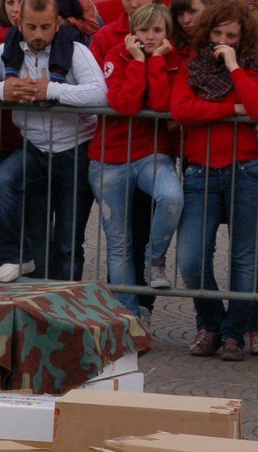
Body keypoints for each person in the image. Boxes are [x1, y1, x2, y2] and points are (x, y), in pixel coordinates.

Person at [0, 0, 108, 282]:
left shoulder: (76, 51)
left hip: (74, 152)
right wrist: (3, 89)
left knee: (67, 242)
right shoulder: (7, 51)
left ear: (58, 24)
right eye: (31, 27)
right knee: (2, 182)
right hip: (34, 149)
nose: (38, 34)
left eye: (46, 27)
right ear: (19, 24)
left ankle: (68, 306)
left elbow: (100, 94)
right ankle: (18, 256)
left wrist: (51, 90)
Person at [169, 0, 258, 360]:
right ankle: (212, 322)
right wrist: (231, 110)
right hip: (201, 170)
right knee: (190, 257)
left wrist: (234, 68)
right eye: (217, 33)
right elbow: (182, 110)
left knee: (245, 258)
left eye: (231, 36)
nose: (222, 41)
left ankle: (234, 332)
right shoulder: (193, 67)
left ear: (242, 38)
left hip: (248, 169)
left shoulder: (255, 68)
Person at [88, 2, 183, 323]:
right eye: (144, 30)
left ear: (167, 33)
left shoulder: (170, 59)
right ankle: (128, 316)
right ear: (133, 32)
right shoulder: (116, 55)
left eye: (157, 30)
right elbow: (125, 103)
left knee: (171, 197)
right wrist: (140, 61)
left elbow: (160, 103)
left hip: (150, 154)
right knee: (118, 243)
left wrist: (154, 61)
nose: (151, 36)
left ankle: (155, 259)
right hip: (108, 159)